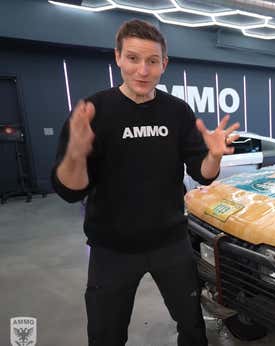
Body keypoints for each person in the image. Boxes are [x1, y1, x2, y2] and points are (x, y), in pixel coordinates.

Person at [51, 19, 239, 346]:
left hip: (171, 243)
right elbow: (70, 190)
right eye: (134, 58)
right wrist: (76, 155)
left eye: (152, 61)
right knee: (105, 335)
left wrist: (214, 156)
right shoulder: (94, 111)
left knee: (192, 326)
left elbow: (202, 173)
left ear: (163, 65)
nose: (143, 70)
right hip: (112, 249)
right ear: (118, 58)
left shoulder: (177, 112)